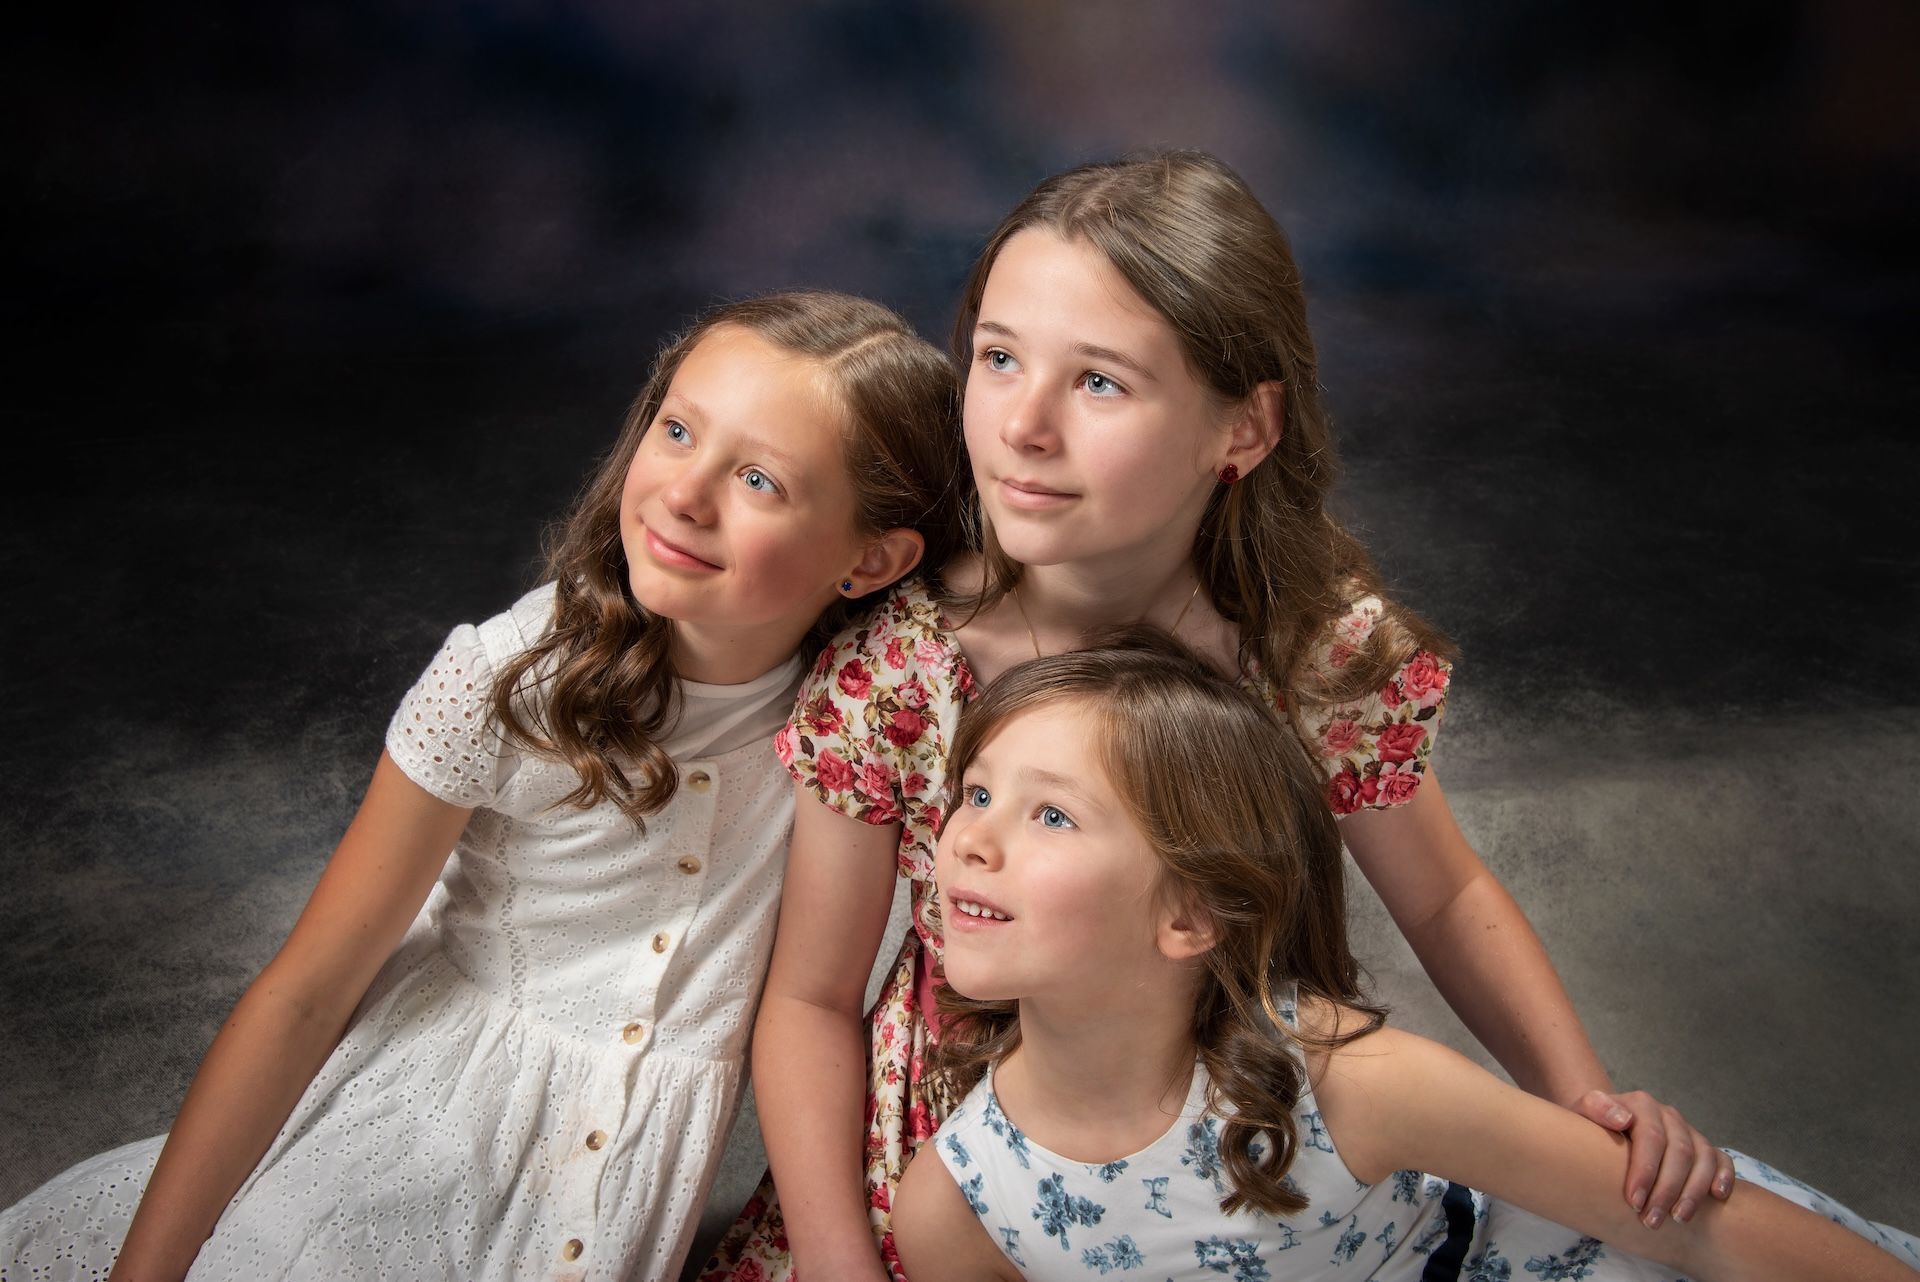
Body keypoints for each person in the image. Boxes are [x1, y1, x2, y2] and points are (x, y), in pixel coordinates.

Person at [698, 153, 1729, 1282]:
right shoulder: (899, 670)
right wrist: (846, 1266)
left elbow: (1442, 892)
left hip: (1228, 1159)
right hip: (954, 1169)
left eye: (1099, 382)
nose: (1023, 426)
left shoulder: (1311, 652)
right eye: (997, 358)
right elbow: (808, 998)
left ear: (1243, 428)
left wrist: (1584, 1107)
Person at [0, 290, 966, 1282]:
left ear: (871, 557)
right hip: (413, 1134)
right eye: (677, 430)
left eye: (759, 478)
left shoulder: (861, 712)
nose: (685, 492)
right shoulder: (505, 678)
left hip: (615, 1190)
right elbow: (303, 991)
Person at [894, 632, 1919, 1282]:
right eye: (977, 794)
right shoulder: (956, 1205)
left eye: (1053, 814)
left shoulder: (1342, 1082)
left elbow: (1692, 1229)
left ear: (1193, 917)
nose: (973, 837)